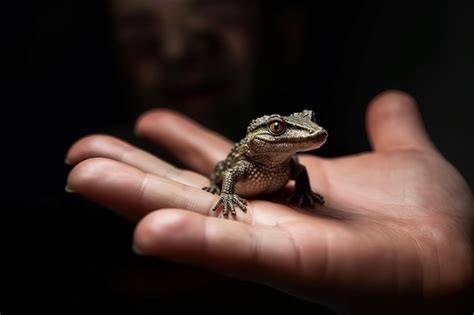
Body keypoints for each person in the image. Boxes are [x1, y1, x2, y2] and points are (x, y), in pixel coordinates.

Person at [65, 90, 473, 312]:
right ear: (259, 136)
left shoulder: (289, 167)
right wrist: (222, 193)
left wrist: (307, 192)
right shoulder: (241, 166)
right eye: (279, 128)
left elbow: (298, 172)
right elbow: (224, 175)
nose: (296, 134)